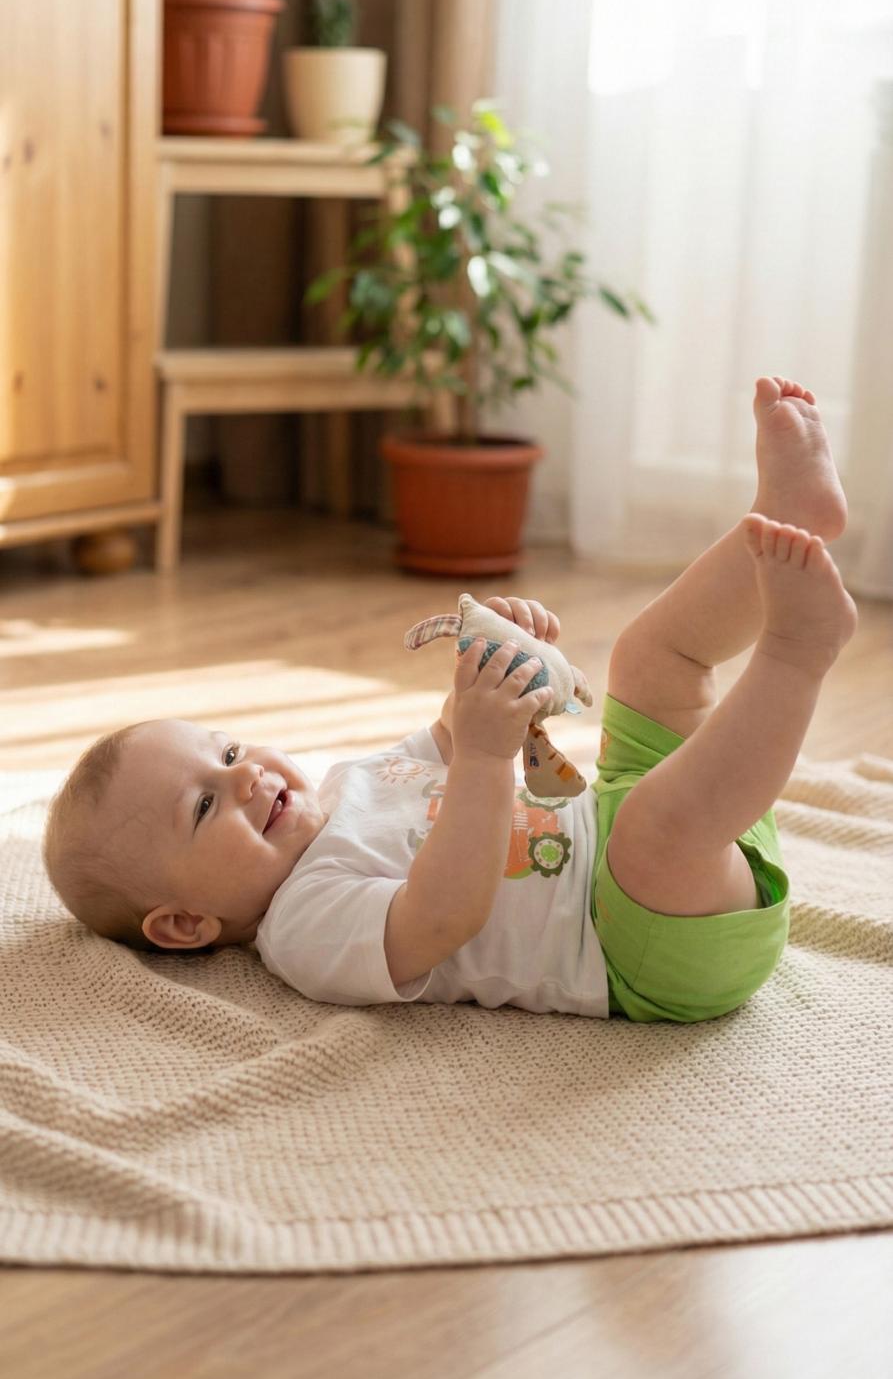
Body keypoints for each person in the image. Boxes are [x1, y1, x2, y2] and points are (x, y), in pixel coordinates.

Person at [42, 376, 855, 1024]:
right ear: (185, 923)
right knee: (653, 832)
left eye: (226, 753)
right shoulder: (303, 929)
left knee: (651, 659)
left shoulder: (346, 786)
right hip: (647, 946)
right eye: (203, 805)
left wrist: (491, 661)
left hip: (639, 817)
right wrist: (490, 754)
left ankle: (786, 518)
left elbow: (446, 740)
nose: (245, 777)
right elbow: (444, 914)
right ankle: (795, 651)